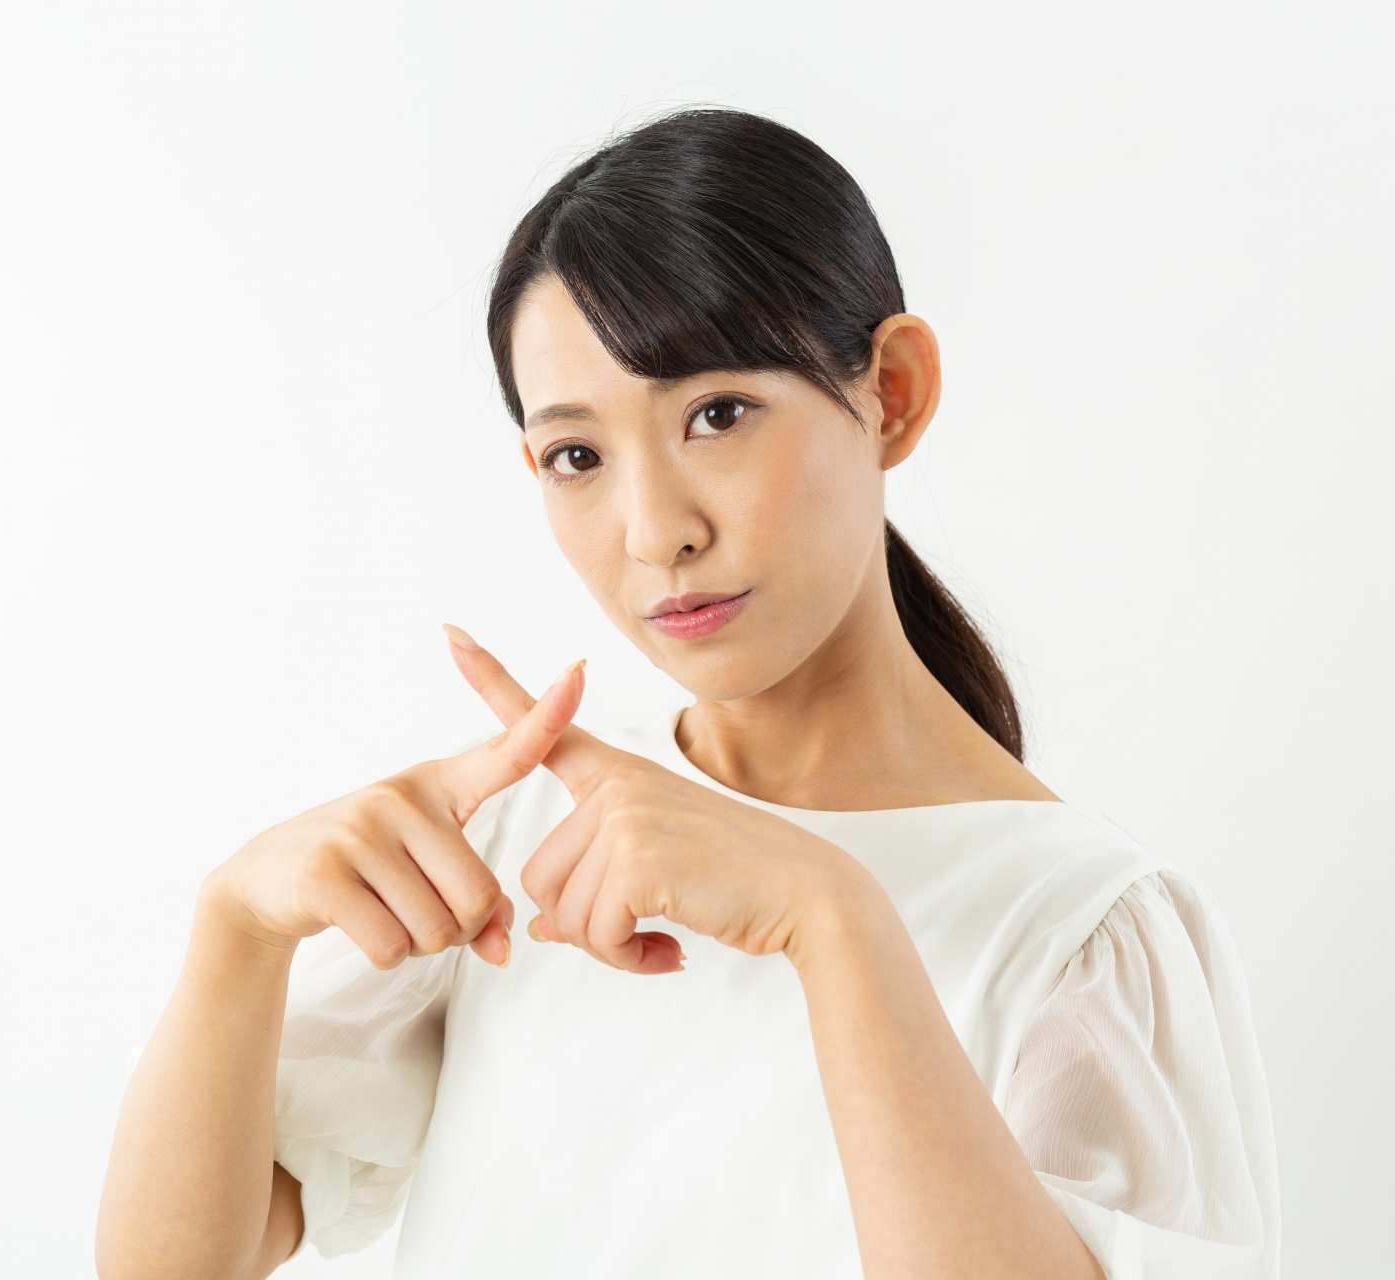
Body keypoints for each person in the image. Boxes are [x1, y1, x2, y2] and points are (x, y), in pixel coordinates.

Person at [96, 109, 1279, 1280]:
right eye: (578, 455)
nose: (654, 530)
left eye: (716, 415)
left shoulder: (1078, 926)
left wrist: (835, 921)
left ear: (894, 391)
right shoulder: (525, 836)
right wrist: (236, 930)